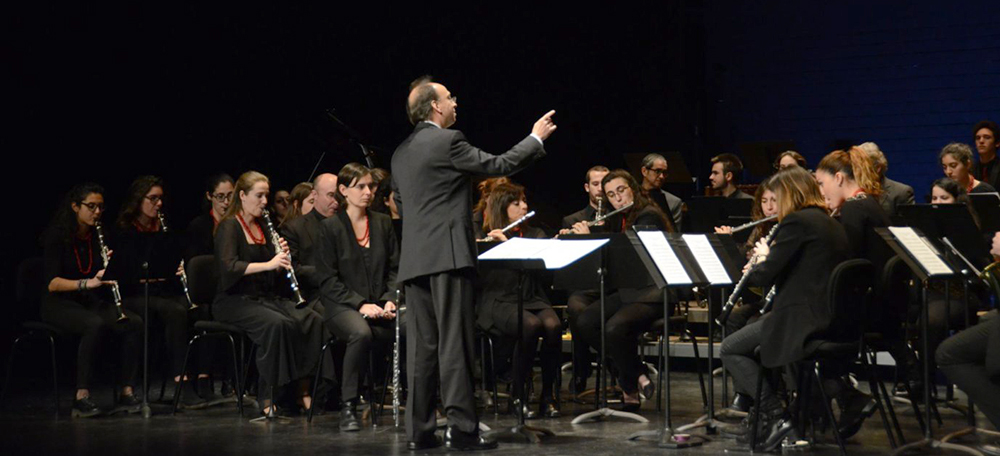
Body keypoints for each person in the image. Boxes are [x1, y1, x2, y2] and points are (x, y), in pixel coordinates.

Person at [391, 75, 554, 451]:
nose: (455, 103)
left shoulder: (400, 153)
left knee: (422, 348)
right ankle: (462, 428)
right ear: (434, 106)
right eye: (449, 97)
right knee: (454, 344)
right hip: (447, 256)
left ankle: (419, 431)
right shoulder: (449, 141)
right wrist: (535, 139)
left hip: (415, 259)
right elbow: (498, 164)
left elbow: (399, 201)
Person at [719, 166, 850, 450]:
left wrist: (759, 260)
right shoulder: (828, 222)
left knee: (729, 348)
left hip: (801, 319)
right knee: (754, 346)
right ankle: (770, 419)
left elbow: (764, 275)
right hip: (827, 317)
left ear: (791, 194)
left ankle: (775, 414)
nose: (775, 205)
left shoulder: (798, 222)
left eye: (777, 198)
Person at [212, 171, 331, 416]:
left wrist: (282, 258)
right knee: (277, 325)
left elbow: (274, 275)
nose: (265, 201)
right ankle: (269, 396)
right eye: (259, 195)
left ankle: (303, 391)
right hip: (234, 300)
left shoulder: (264, 226)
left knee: (311, 320)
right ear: (242, 196)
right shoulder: (229, 226)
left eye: (266, 195)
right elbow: (229, 267)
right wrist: (270, 263)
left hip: (264, 298)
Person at [569, 170, 672, 411]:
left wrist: (588, 240)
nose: (618, 199)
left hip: (653, 292)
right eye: (612, 195)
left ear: (633, 188)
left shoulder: (647, 216)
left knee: (614, 328)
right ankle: (637, 372)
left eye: (622, 191)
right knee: (585, 321)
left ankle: (629, 389)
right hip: (630, 292)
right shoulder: (621, 217)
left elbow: (626, 259)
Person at [115, 176, 220, 408]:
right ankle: (180, 382)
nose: (159, 204)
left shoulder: (163, 227)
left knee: (203, 310)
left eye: (160, 198)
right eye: (153, 199)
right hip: (134, 294)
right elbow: (123, 272)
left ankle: (202, 379)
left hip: (161, 291)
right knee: (174, 311)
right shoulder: (125, 230)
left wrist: (175, 266)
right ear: (138, 200)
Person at [40, 183, 143, 418]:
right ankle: (81, 397)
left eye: (100, 207)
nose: (96, 212)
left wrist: (110, 267)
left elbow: (98, 273)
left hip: (87, 300)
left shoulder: (99, 235)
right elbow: (52, 283)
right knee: (94, 324)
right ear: (75, 207)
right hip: (57, 303)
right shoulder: (57, 236)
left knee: (133, 323)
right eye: (91, 206)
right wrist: (88, 283)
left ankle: (127, 392)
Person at [315, 163, 401, 432]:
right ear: (343, 190)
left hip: (379, 302)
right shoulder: (330, 228)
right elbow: (327, 280)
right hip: (342, 306)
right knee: (361, 333)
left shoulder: (383, 223)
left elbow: (395, 268)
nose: (368, 192)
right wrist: (360, 304)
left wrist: (389, 298)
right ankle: (349, 405)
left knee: (414, 325)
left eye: (371, 186)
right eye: (360, 186)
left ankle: (425, 401)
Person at [815, 147, 892, 438]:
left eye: (821, 184)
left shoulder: (852, 210)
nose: (820, 192)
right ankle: (836, 401)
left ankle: (839, 401)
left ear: (838, 178)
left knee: (797, 333)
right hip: (880, 309)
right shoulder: (869, 204)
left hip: (862, 314)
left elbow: (843, 267)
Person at [476, 183, 563, 419]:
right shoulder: (485, 235)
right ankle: (517, 396)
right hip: (498, 300)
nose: (524, 206)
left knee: (554, 327)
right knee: (531, 326)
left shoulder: (535, 234)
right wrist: (492, 245)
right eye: (517, 203)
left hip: (531, 296)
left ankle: (548, 397)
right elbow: (480, 278)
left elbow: (545, 274)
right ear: (502, 208)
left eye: (524, 201)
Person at [279, 173, 338, 302]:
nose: (336, 201)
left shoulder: (346, 223)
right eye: (331, 195)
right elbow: (293, 268)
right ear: (315, 195)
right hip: (315, 295)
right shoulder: (294, 227)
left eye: (338, 195)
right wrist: (331, 275)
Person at [184, 173, 234, 262]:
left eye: (230, 195)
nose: (226, 202)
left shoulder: (239, 222)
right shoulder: (198, 226)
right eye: (220, 197)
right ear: (209, 196)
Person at [858, 142, 915, 218]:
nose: (856, 171)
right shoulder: (850, 191)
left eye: (861, 167)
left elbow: (907, 227)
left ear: (877, 168)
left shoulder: (901, 193)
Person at [639, 153, 683, 228]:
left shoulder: (673, 202)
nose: (662, 176)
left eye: (664, 173)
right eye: (657, 171)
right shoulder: (631, 196)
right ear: (644, 171)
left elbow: (674, 234)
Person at [561, 165, 609, 231]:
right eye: (595, 184)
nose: (600, 189)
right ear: (587, 187)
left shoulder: (619, 217)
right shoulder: (572, 221)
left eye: (604, 184)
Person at [972, 120, 1000, 190]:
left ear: (997, 143)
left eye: (987, 137)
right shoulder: (971, 170)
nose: (981, 141)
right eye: (978, 138)